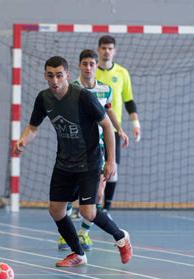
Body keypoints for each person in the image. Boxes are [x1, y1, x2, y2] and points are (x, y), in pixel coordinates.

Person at [14, 56, 132, 267]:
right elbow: (33, 127)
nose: (55, 81)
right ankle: (78, 253)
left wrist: (111, 161)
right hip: (64, 162)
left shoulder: (83, 97)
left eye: (59, 75)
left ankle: (121, 236)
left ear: (67, 75)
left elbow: (106, 126)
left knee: (88, 211)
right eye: (50, 75)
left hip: (89, 161)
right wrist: (23, 140)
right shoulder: (44, 98)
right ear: (45, 76)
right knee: (56, 210)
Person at [57, 49, 129, 251]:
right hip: (75, 149)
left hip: (97, 150)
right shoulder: (71, 89)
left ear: (96, 66)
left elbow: (108, 110)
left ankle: (83, 234)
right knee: (70, 196)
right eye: (85, 63)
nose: (88, 67)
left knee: (98, 195)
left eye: (92, 64)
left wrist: (120, 130)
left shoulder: (105, 89)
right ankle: (66, 235)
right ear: (79, 65)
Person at [96, 35, 140, 218]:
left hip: (113, 129)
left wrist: (135, 123)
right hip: (93, 129)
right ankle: (89, 205)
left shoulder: (122, 73)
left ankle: (106, 209)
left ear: (115, 51)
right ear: (98, 49)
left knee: (112, 169)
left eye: (110, 48)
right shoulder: (91, 71)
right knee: (91, 169)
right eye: (104, 48)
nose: (107, 51)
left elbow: (129, 100)